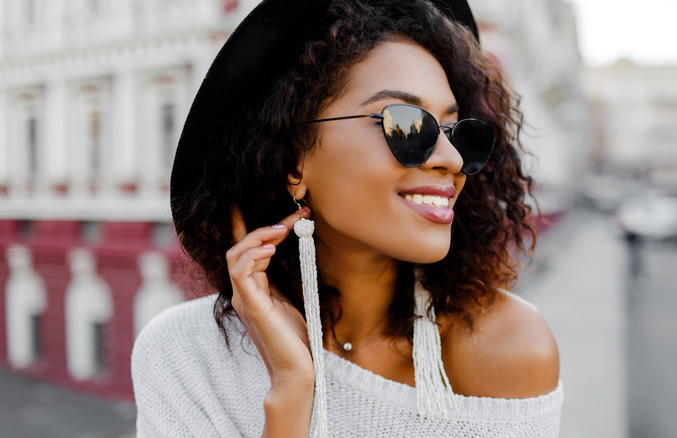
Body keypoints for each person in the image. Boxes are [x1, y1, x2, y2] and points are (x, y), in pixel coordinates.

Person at [131, 0, 563, 436]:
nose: (451, 159)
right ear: (294, 161)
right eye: (407, 126)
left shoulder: (510, 349)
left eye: (456, 132)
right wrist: (292, 390)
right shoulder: (182, 355)